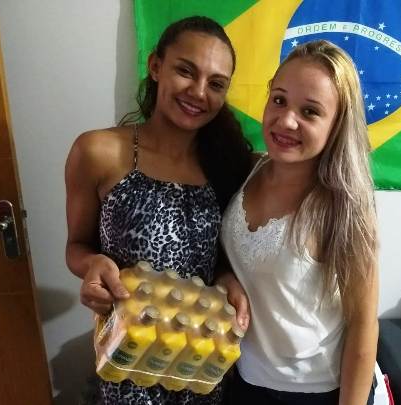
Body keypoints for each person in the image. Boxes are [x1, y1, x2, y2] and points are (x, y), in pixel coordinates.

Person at [65, 16, 252, 405]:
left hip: (201, 365)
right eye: (186, 71)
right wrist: (93, 265)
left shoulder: (227, 163)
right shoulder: (98, 151)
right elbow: (76, 246)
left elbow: (216, 256)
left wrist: (226, 277)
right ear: (155, 66)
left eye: (216, 84)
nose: (199, 92)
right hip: (129, 364)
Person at [217, 40, 379, 405]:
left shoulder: (343, 206)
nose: (286, 120)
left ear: (336, 125)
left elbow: (363, 325)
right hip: (244, 378)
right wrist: (225, 277)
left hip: (316, 392)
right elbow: (230, 255)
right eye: (279, 100)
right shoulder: (249, 168)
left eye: (310, 111)